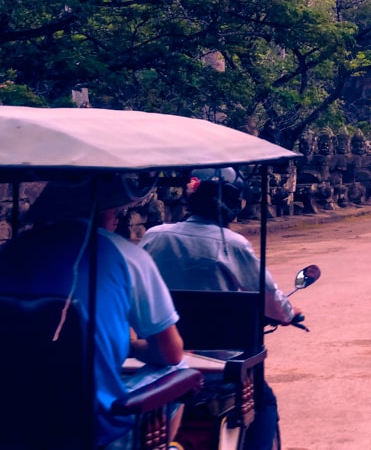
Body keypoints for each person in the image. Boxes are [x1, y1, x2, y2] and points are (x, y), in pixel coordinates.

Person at [0, 173, 185, 449]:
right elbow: (170, 352)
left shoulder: (8, 252)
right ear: (105, 211)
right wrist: (133, 346)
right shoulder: (127, 256)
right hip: (95, 433)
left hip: (11, 426)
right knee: (179, 369)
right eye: (115, 211)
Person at [140, 167, 300, 450]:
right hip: (218, 368)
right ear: (234, 204)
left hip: (157, 358)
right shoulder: (233, 244)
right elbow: (269, 298)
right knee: (264, 403)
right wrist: (289, 314)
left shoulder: (154, 236)